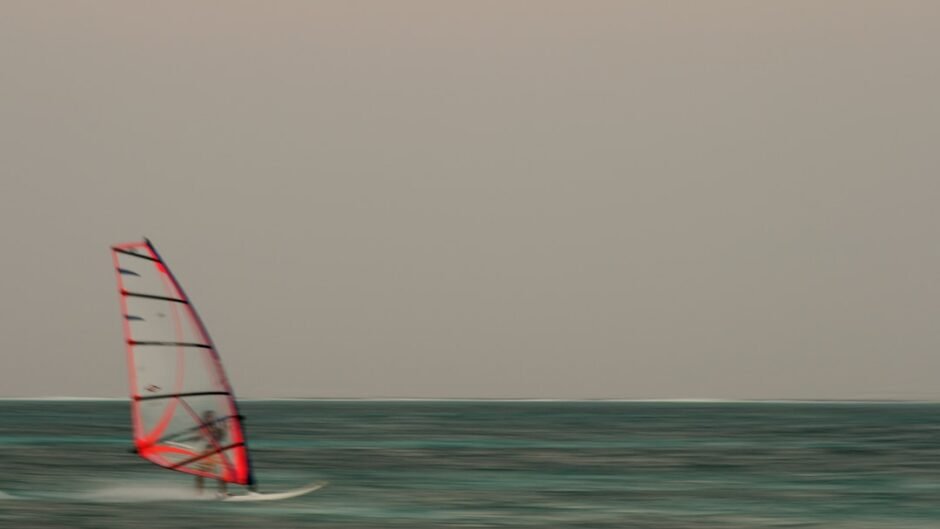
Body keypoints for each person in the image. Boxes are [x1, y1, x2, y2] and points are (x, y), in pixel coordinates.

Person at [194, 410, 228, 496]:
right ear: (206, 418)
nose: (211, 418)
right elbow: (199, 437)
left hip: (216, 452)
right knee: (199, 473)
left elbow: (222, 437)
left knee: (221, 473)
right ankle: (198, 493)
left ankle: (223, 493)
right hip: (206, 452)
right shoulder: (203, 429)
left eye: (212, 417)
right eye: (209, 417)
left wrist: (224, 426)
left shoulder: (216, 429)